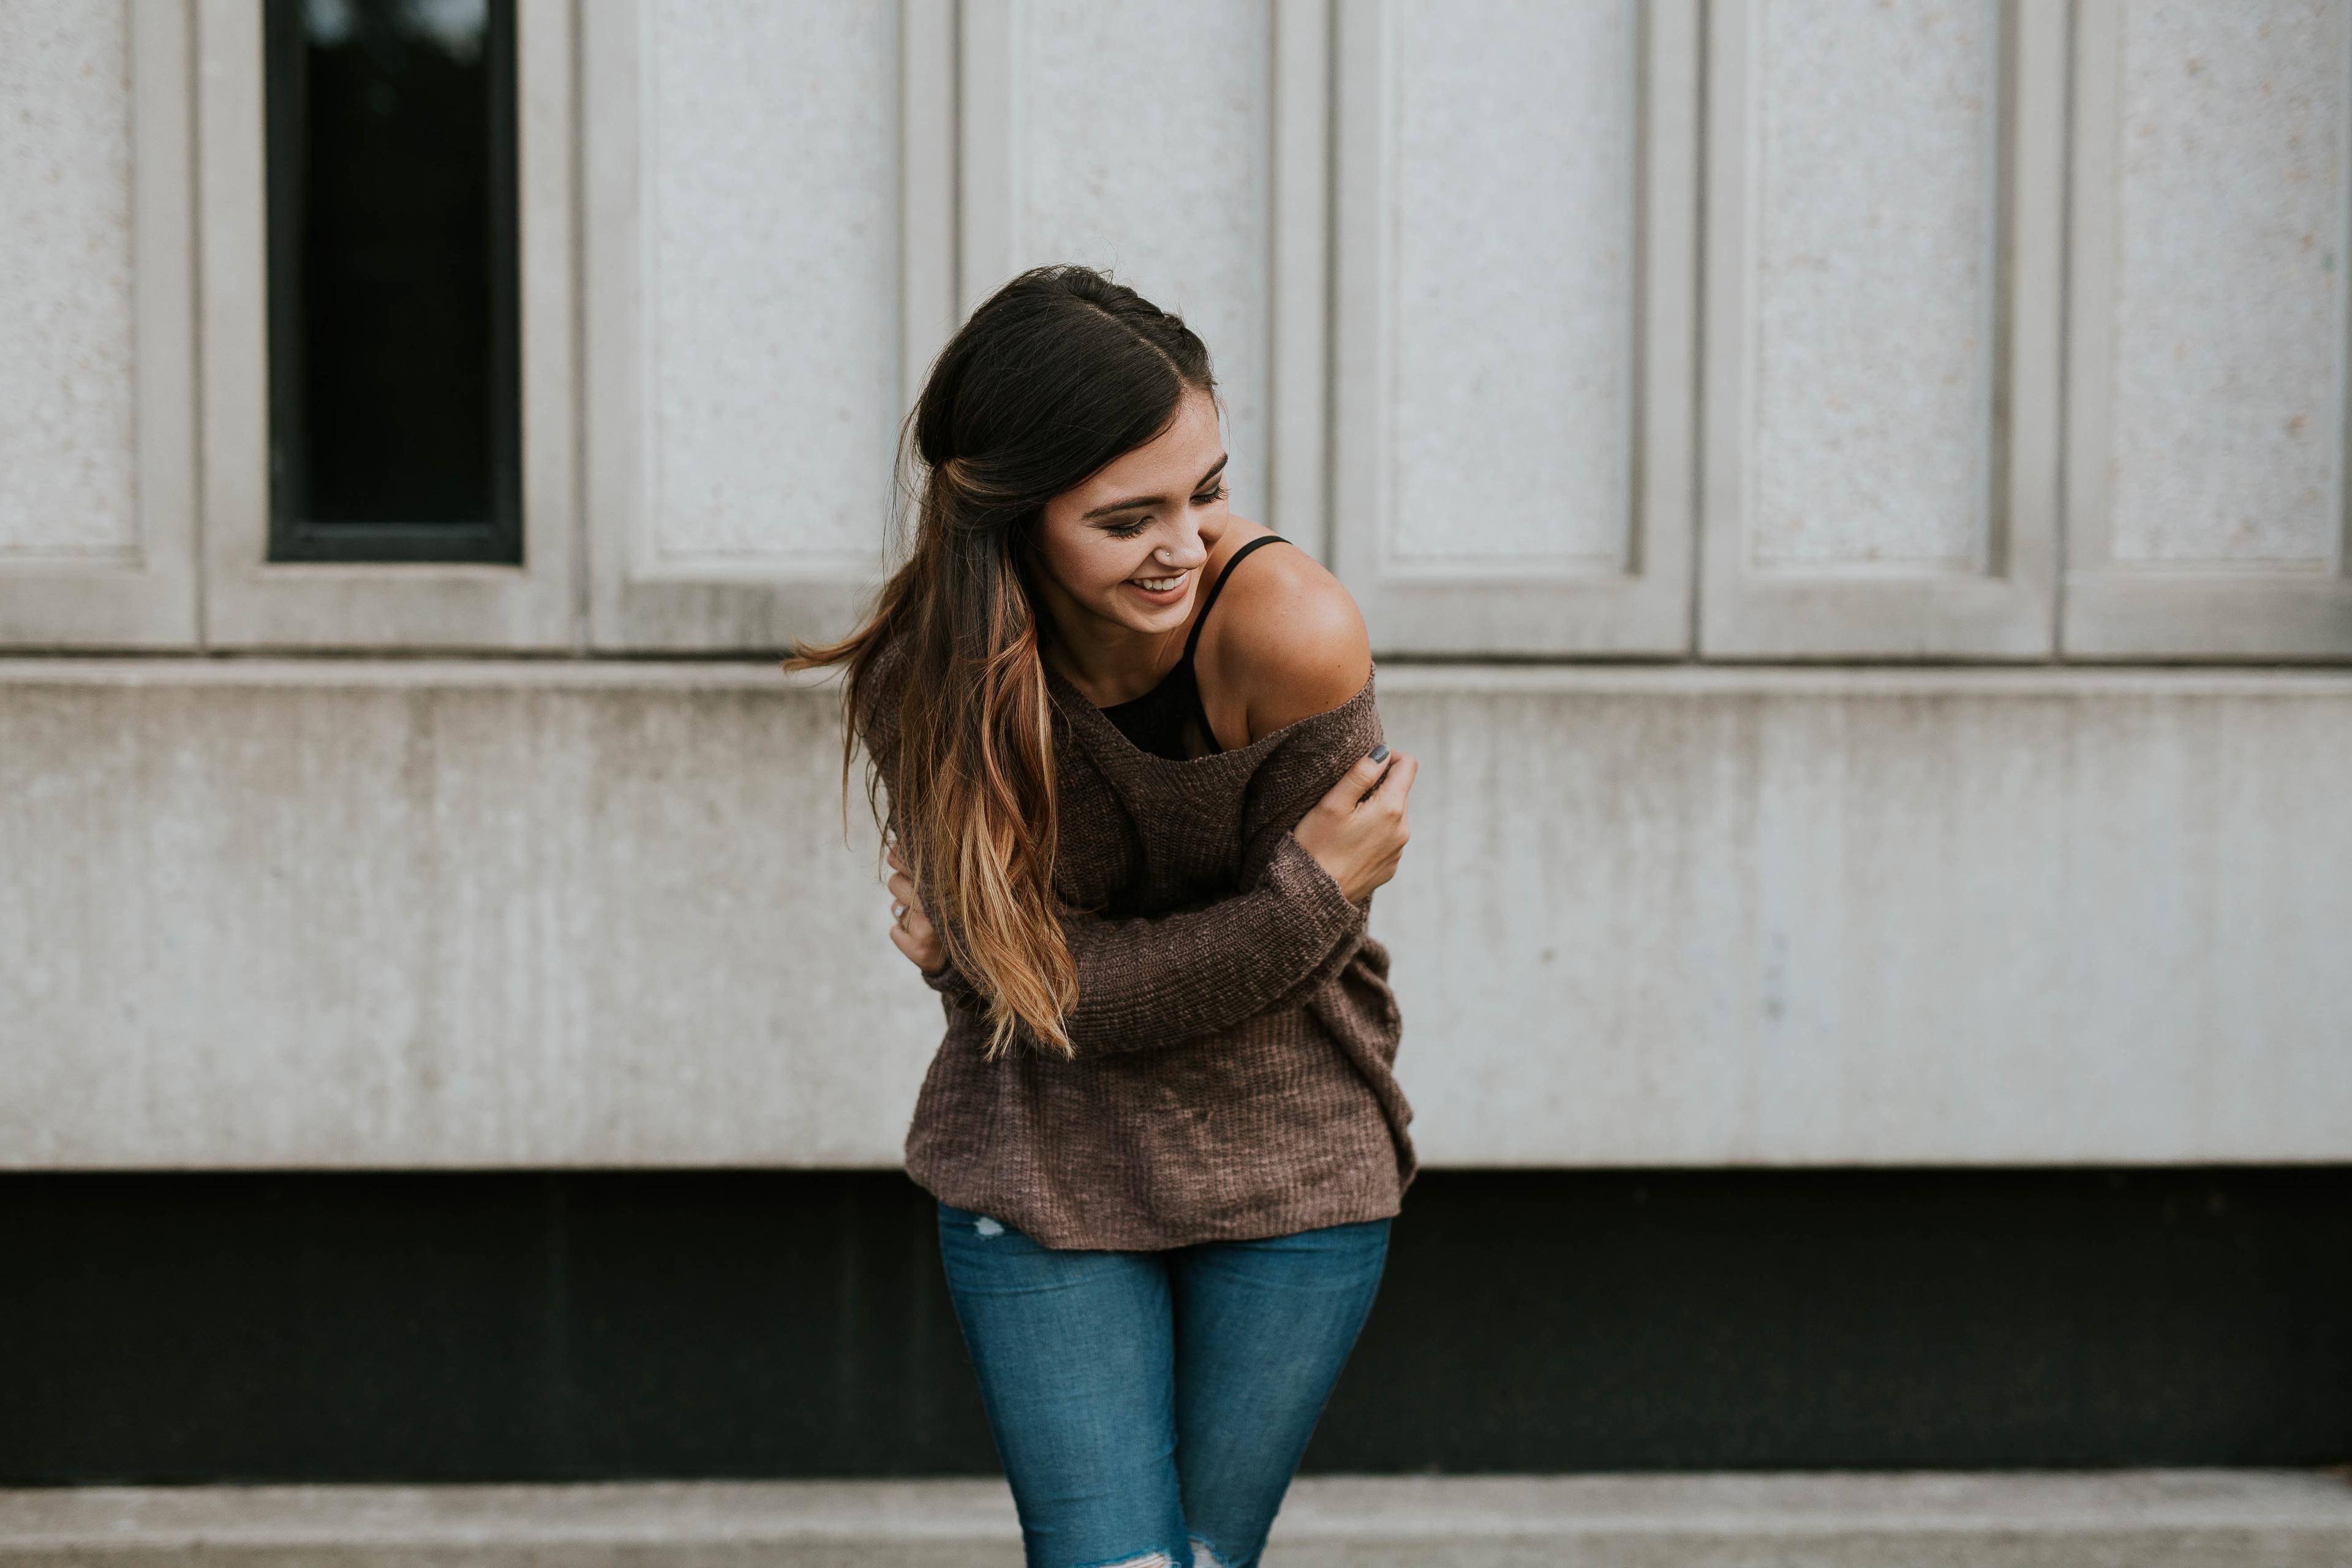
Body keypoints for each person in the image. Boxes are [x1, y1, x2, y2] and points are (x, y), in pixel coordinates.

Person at [784, 264, 1419, 1568]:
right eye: (1128, 517)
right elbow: (1041, 988)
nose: (1185, 544)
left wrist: (1005, 964)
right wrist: (1298, 896)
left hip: (1289, 1162)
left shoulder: (1291, 630)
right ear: (1006, 517)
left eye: (1207, 489)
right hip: (1038, 1156)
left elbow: (1057, 974)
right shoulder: (931, 675)